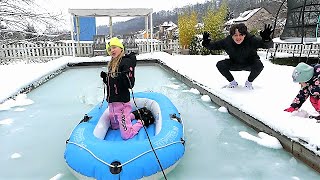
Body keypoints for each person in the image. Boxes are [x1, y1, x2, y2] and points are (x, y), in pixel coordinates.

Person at [99, 37, 154, 140]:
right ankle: (134, 114)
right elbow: (113, 83)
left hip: (122, 104)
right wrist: (106, 78)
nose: (112, 50)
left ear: (121, 48)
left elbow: (130, 85)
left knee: (126, 135)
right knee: (114, 127)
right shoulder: (112, 63)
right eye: (110, 49)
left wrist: (125, 76)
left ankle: (143, 120)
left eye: (114, 47)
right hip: (112, 103)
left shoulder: (126, 63)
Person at [202, 23, 274, 89]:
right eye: (235, 35)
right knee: (220, 64)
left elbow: (267, 45)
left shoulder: (251, 39)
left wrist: (266, 39)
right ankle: (233, 83)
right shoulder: (227, 41)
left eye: (241, 35)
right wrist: (206, 43)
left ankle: (248, 83)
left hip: (250, 63)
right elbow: (214, 46)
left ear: (245, 35)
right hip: (235, 63)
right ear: (232, 35)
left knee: (259, 65)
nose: (238, 38)